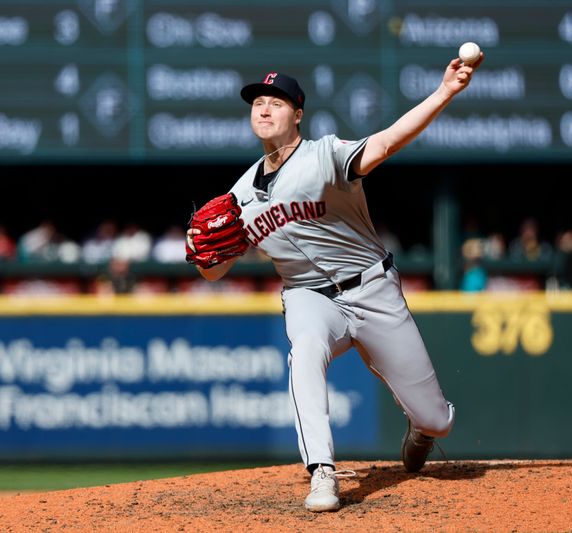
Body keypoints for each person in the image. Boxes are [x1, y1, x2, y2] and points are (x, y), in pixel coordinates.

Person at [186, 54, 483, 512]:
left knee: (437, 419)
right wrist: (203, 254)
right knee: (304, 349)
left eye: (277, 102)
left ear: (297, 114)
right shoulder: (240, 195)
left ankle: (422, 429)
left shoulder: (324, 154)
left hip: (372, 288)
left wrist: (445, 92)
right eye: (258, 103)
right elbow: (215, 271)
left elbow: (384, 145)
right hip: (308, 297)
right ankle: (321, 471)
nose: (264, 109)